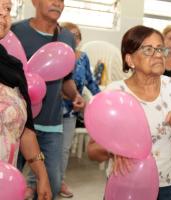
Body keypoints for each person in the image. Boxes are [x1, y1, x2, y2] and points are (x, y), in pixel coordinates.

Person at [87, 25, 171, 200]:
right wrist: (115, 150)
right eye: (148, 50)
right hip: (124, 184)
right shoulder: (115, 93)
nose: (158, 55)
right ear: (130, 60)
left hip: (165, 186)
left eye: (160, 49)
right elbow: (92, 151)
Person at [11, 0, 86, 199]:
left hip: (52, 125)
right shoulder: (15, 31)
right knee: (10, 182)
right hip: (18, 125)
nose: (57, 3)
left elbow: (66, 79)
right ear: (35, 1)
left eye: (61, 0)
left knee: (51, 185)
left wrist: (75, 95)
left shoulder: (66, 37)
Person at [0, 1, 52, 199]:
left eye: (7, 9)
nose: (4, 15)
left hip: (7, 185)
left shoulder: (13, 67)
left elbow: (26, 130)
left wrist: (42, 174)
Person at [59, 22, 101, 198]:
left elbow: (90, 82)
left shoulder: (83, 57)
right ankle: (35, 181)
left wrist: (101, 99)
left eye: (77, 35)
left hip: (71, 112)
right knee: (44, 147)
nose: (73, 38)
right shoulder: (56, 54)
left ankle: (59, 181)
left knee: (64, 149)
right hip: (50, 110)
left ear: (80, 39)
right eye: (69, 34)